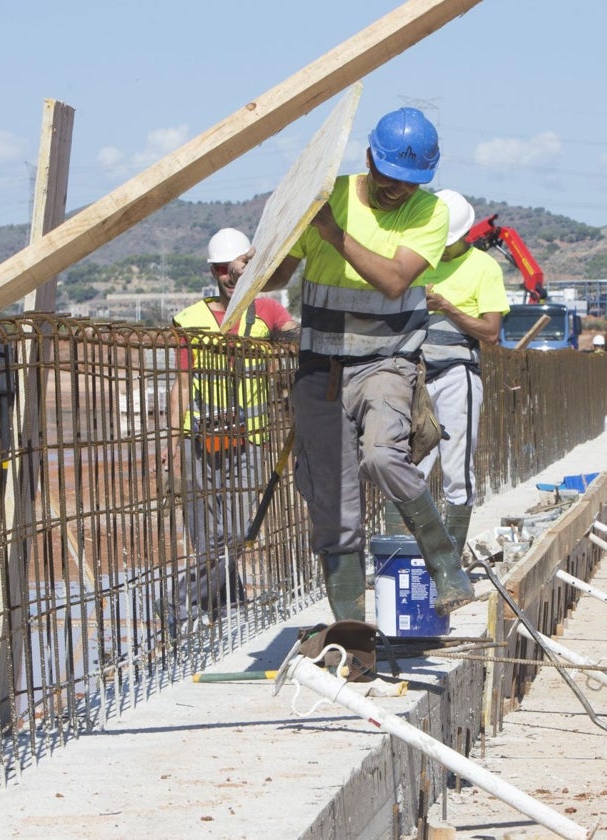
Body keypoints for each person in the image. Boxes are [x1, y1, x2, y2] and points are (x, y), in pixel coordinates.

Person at [261, 107, 474, 623]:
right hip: (321, 368)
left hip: (386, 362)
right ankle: (352, 630)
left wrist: (334, 233)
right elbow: (278, 276)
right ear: (368, 160)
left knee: (382, 455)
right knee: (333, 503)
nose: (395, 190)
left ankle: (445, 560)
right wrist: (271, 248)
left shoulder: (429, 213)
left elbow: (396, 281)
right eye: (387, 177)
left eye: (408, 182)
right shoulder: (327, 196)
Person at [164, 228, 298, 630]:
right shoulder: (190, 320)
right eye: (222, 268)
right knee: (206, 537)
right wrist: (172, 446)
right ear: (212, 270)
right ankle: (228, 606)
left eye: (236, 266)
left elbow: (295, 341)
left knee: (239, 531)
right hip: (199, 440)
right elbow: (182, 384)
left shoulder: (268, 313)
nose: (229, 276)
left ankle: (178, 598)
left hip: (249, 440)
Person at [415, 189, 509, 556]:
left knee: (457, 469)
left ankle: (450, 559)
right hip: (418, 378)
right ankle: (409, 551)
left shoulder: (484, 268)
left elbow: (490, 332)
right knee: (410, 470)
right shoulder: (418, 263)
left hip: (457, 375)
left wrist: (446, 307)